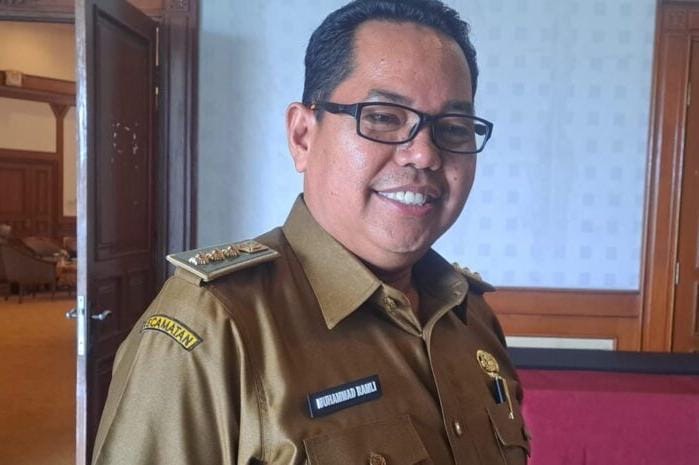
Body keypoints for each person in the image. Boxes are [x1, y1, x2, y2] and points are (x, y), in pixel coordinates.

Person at [91, 1, 530, 464]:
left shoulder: (471, 316)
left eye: (454, 128)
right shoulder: (215, 326)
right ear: (303, 135)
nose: (424, 154)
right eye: (383, 117)